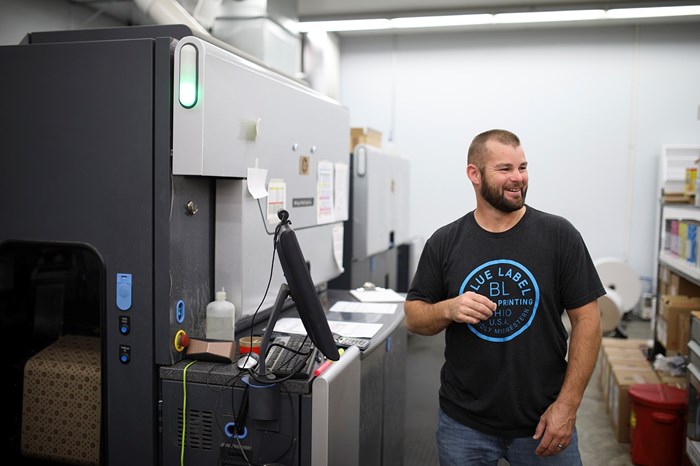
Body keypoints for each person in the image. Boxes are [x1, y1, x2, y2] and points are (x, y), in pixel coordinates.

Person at [404, 129, 604, 466]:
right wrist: (449, 308)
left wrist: (567, 406)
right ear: (474, 174)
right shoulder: (445, 242)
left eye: (522, 167)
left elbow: (589, 321)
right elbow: (414, 317)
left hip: (543, 422)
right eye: (505, 169)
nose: (518, 179)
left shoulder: (559, 236)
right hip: (463, 424)